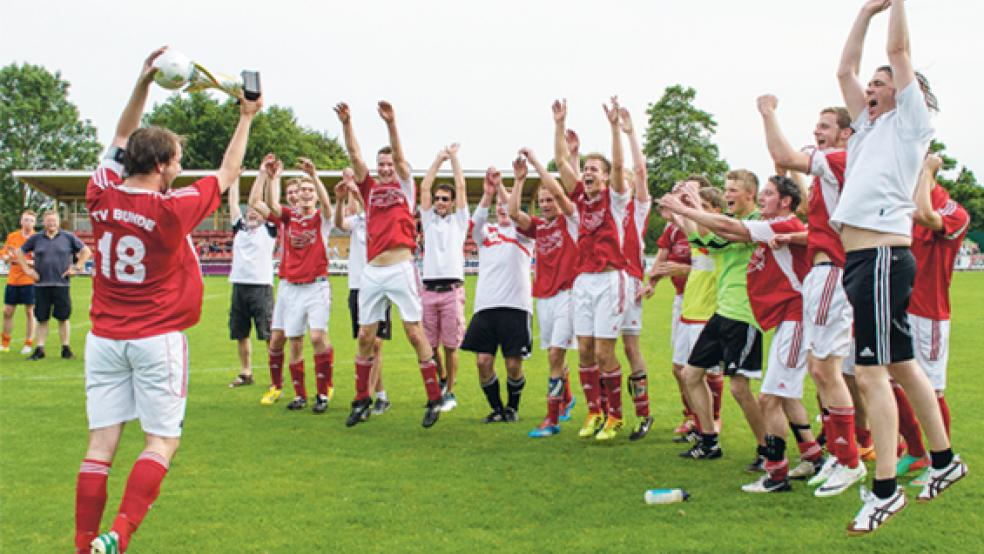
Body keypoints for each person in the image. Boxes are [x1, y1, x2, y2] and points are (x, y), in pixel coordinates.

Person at [77, 46, 262, 554]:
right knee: (161, 442)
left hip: (104, 339)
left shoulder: (99, 193)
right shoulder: (171, 210)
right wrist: (245, 117)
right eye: (176, 160)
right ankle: (120, 534)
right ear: (161, 165)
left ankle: (82, 544)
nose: (179, 169)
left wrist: (143, 82)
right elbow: (227, 174)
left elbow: (119, 135)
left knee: (100, 447)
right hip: (155, 339)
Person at [831, 0, 965, 534]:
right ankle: (944, 461)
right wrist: (863, 13)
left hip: (883, 257)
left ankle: (884, 490)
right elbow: (844, 70)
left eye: (881, 82)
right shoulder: (866, 128)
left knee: (871, 374)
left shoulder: (912, 123)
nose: (871, 86)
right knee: (906, 368)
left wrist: (896, 5)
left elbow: (899, 49)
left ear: (905, 91)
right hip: (864, 260)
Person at [661, 176, 822, 494]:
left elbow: (724, 233)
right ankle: (809, 455)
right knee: (695, 375)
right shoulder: (763, 224)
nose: (727, 194)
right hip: (731, 312)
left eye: (734, 190)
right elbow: (708, 241)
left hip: (751, 315)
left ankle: (775, 464)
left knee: (760, 393)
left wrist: (686, 208)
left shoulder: (759, 224)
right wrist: (686, 210)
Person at [756, 95, 868, 491]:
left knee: (826, 370)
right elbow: (807, 199)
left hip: (831, 274)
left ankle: (850, 458)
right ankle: (840, 455)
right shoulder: (828, 174)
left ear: (844, 132)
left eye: (824, 126)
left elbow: (782, 153)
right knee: (822, 372)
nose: (816, 131)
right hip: (825, 276)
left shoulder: (841, 159)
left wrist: (768, 112)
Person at [335, 100, 443, 428]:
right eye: (380, 164)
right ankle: (361, 398)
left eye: (388, 165)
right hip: (373, 271)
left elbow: (399, 157)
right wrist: (347, 123)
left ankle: (435, 397)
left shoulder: (405, 186)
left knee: (413, 332)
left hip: (400, 267)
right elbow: (355, 156)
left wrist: (391, 124)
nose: (385, 168)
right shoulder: (367, 190)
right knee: (366, 335)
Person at [552, 97, 630, 441]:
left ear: (606, 176)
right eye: (585, 168)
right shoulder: (581, 201)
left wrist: (614, 127)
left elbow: (618, 164)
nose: (587, 172)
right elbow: (559, 161)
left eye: (594, 169)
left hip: (611, 278)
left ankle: (615, 416)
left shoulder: (615, 199)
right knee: (583, 349)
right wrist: (559, 123)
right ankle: (594, 412)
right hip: (583, 280)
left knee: (603, 351)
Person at [894, 154, 970, 485]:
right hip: (898, 306)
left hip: (929, 313)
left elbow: (926, 215)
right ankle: (915, 451)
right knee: (888, 383)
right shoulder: (900, 206)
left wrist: (925, 169)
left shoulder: (954, 210)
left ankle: (943, 460)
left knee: (931, 389)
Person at [251, 156, 336, 414]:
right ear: (295, 196)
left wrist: (315, 175)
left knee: (318, 337)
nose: (306, 194)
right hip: (290, 287)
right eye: (302, 191)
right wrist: (267, 176)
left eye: (310, 190)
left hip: (316, 286)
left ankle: (323, 392)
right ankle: (300, 394)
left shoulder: (322, 219)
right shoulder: (288, 218)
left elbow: (330, 208)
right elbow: (262, 203)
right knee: (293, 339)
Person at [644, 183, 726, 440]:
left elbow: (708, 256)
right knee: (681, 368)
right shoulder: (691, 235)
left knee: (707, 371)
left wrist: (683, 211)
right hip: (688, 306)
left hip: (707, 310)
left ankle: (710, 423)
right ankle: (697, 420)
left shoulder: (721, 233)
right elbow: (691, 231)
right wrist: (677, 214)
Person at [507, 149, 578, 436]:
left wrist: (538, 164)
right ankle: (568, 397)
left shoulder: (569, 222)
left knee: (554, 356)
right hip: (544, 297)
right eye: (542, 201)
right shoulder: (538, 228)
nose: (547, 205)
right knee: (555, 355)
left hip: (568, 294)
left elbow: (564, 193)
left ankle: (552, 419)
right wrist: (519, 180)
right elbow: (513, 213)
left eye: (551, 200)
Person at [461, 167, 534, 422]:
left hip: (516, 306)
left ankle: (512, 408)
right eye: (499, 205)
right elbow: (475, 224)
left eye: (508, 204)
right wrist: (488, 193)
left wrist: (506, 189)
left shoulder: (524, 234)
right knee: (483, 362)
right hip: (485, 307)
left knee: (513, 365)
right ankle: (497, 409)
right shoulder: (487, 233)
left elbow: (514, 211)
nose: (503, 208)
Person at [612, 106, 656, 441]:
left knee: (630, 348)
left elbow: (640, 170)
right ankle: (606, 413)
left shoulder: (637, 209)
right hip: (603, 281)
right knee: (600, 348)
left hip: (630, 281)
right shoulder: (604, 206)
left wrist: (629, 134)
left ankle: (643, 413)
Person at [334, 168, 391, 415]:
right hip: (357, 287)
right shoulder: (356, 221)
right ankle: (380, 394)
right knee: (365, 343)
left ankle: (367, 397)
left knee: (376, 343)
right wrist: (340, 199)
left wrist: (357, 192)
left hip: (379, 284)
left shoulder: (381, 218)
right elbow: (339, 223)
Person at [419, 143, 469, 412]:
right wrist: (438, 158)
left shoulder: (459, 221)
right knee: (430, 345)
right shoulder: (428, 221)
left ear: (451, 204)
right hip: (428, 290)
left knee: (451, 346)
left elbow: (460, 187)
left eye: (444, 199)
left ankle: (450, 391)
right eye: (437, 198)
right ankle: (440, 380)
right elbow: (425, 186)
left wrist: (455, 160)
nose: (439, 202)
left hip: (451, 290)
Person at [16, 209, 91, 360]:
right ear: (44, 222)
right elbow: (19, 252)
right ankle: (40, 349)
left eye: (54, 220)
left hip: (61, 284)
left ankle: (65, 348)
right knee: (42, 317)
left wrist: (76, 267)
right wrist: (27, 270)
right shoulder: (36, 238)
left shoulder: (68, 237)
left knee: (63, 317)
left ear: (58, 221)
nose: (51, 223)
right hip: (41, 285)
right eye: (49, 221)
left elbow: (86, 251)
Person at [226, 169, 278, 388]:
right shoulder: (240, 229)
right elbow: (233, 203)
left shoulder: (269, 230)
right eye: (250, 212)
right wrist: (234, 178)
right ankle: (246, 372)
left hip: (261, 287)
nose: (252, 214)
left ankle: (275, 376)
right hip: (239, 285)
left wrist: (265, 176)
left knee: (268, 333)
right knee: (241, 332)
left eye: (257, 211)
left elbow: (264, 203)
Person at [257, 173, 301, 405]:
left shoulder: (309, 216)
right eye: (290, 193)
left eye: (297, 192)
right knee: (276, 340)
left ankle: (305, 391)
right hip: (284, 283)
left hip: (307, 284)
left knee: (302, 340)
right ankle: (276, 386)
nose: (294, 196)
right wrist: (268, 177)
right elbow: (259, 203)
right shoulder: (283, 217)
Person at [2, 209, 37, 354]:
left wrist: (25, 261)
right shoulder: (13, 236)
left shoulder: (37, 238)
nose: (28, 222)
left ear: (34, 223)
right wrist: (6, 257)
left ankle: (28, 343)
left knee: (29, 312)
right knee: (7, 312)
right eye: (25, 219)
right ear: (21, 221)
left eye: (31, 220)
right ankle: (4, 342)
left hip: (29, 280)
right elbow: (5, 252)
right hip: (13, 280)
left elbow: (38, 260)